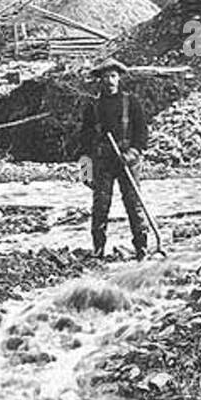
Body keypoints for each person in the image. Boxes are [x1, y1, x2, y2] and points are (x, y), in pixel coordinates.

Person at [78, 58, 149, 260]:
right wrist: (85, 170)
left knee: (134, 204)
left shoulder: (131, 102)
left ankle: (142, 249)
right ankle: (98, 251)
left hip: (128, 160)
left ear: (119, 78)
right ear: (99, 80)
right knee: (100, 206)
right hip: (103, 162)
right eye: (105, 76)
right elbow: (84, 140)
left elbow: (142, 134)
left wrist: (132, 153)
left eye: (113, 76)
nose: (109, 80)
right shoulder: (93, 107)